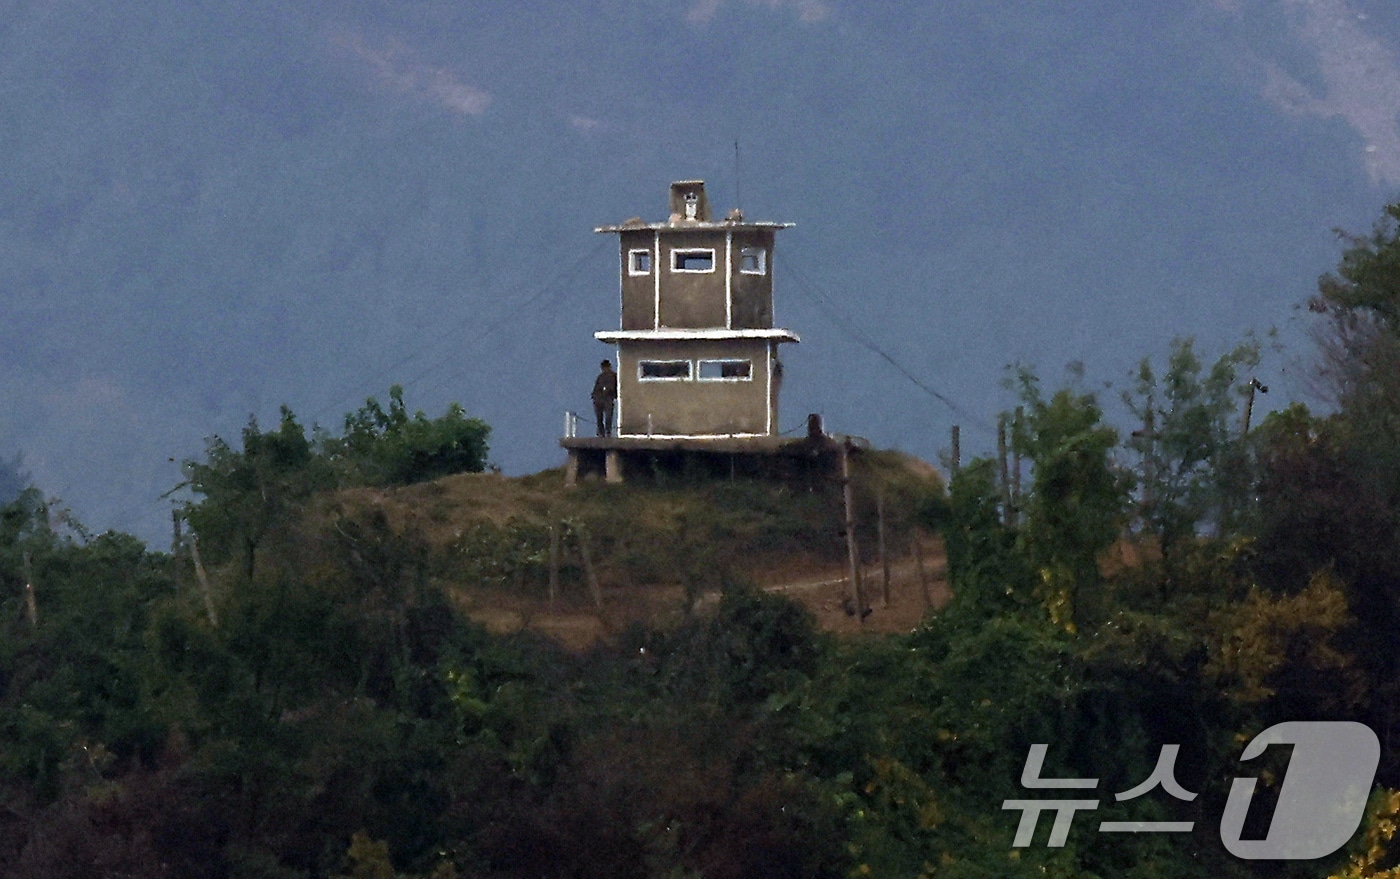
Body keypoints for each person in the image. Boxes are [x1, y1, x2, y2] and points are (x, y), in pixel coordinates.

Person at [591, 359, 617, 436]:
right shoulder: (600, 377)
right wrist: (594, 396)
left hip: (608, 398)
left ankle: (607, 431)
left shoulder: (613, 376)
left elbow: (614, 387)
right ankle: (601, 431)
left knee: (608, 416)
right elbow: (596, 388)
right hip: (599, 398)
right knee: (600, 417)